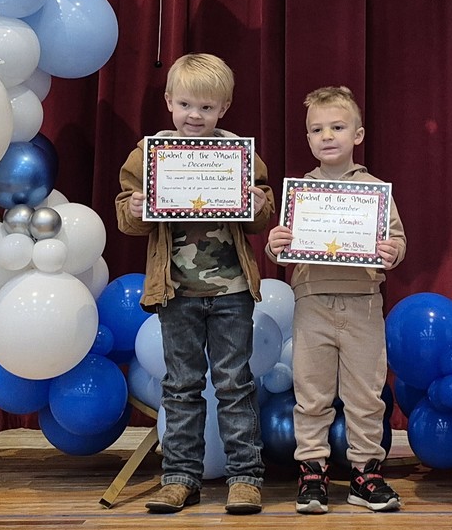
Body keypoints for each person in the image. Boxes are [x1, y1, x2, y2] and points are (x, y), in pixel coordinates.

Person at [114, 53, 274, 515]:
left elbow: (260, 218)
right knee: (180, 386)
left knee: (235, 384)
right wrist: (139, 207)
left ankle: (245, 477)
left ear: (223, 108)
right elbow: (126, 215)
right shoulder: (148, 154)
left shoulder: (240, 154)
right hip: (176, 292)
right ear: (168, 102)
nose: (194, 116)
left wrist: (259, 202)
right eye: (185, 105)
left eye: (206, 108)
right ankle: (180, 477)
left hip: (232, 292)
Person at [267, 86, 406, 514]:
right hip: (312, 303)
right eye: (317, 129)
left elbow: (397, 240)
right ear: (308, 139)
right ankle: (313, 473)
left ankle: (365, 475)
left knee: (366, 395)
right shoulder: (300, 193)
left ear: (358, 134)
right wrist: (275, 244)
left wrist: (392, 251)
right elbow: (281, 247)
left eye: (338, 127)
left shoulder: (376, 190)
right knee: (311, 394)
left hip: (363, 303)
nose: (327, 135)